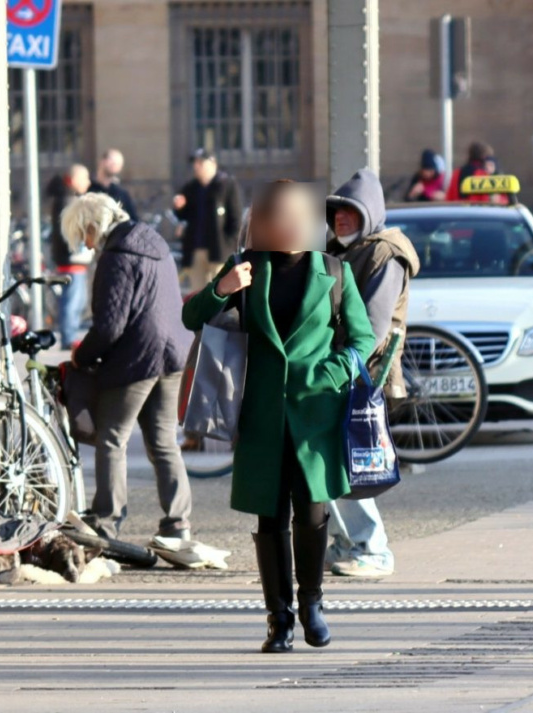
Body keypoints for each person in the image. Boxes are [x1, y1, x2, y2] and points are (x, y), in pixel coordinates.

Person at [182, 180, 376, 653]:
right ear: (261, 220)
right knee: (269, 520)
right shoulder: (246, 268)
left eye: (295, 216)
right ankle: (279, 620)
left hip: (316, 417)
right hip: (261, 416)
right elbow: (192, 320)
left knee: (311, 513)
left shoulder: (333, 271)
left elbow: (363, 339)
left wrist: (330, 373)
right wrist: (222, 288)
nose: (286, 225)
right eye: (276, 216)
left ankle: (312, 604)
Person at [62, 192, 192, 540]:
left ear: (93, 226)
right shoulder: (157, 245)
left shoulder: (116, 257)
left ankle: (106, 520)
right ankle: (177, 523)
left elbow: (109, 326)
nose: (87, 247)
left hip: (138, 357)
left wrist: (81, 357)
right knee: (164, 442)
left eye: (83, 236)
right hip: (174, 352)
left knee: (111, 438)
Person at [326, 169, 421, 578]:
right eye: (335, 211)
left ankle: (371, 547)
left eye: (349, 210)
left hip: (361, 372)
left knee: (345, 459)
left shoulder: (385, 253)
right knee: (332, 457)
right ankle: (347, 542)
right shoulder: (347, 250)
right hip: (345, 368)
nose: (340, 218)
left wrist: (340, 364)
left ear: (370, 213)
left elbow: (373, 326)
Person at [173, 149, 243, 291]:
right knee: (198, 295)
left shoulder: (226, 184)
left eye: (200, 162)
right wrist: (179, 207)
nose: (196, 166)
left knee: (220, 292)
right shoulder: (191, 187)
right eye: (195, 163)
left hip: (219, 251)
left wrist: (229, 244)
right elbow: (184, 216)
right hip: (195, 249)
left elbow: (235, 218)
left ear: (212, 163)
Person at [48, 164, 92, 348]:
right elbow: (70, 229)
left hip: (74, 258)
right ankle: (68, 336)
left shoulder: (68, 198)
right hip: (71, 257)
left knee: (77, 299)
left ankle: (70, 334)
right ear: (74, 180)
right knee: (72, 299)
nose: (88, 182)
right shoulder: (68, 200)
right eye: (85, 178)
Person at [90, 149, 139, 221]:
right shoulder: (88, 187)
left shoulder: (121, 193)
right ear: (102, 161)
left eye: (119, 164)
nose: (115, 165)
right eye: (112, 162)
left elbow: (133, 219)